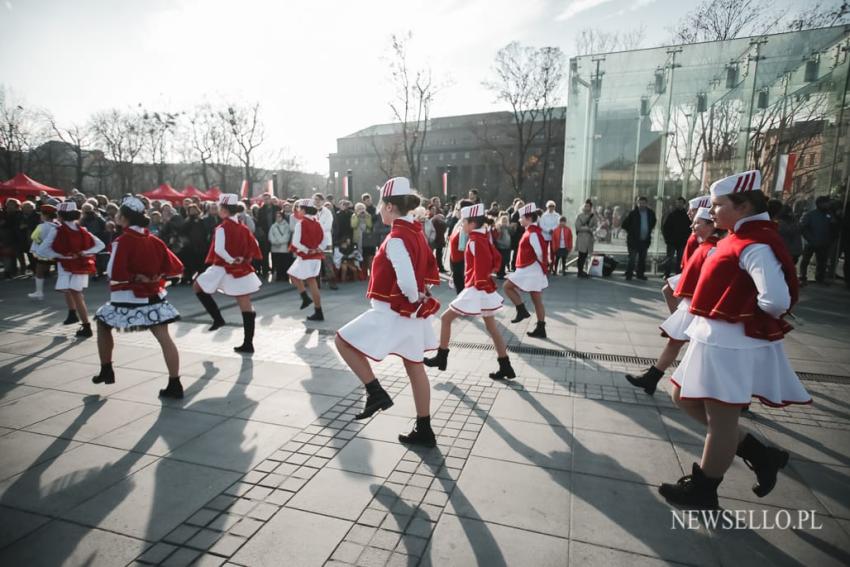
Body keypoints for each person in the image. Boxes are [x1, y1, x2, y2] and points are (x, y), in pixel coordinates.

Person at [659, 170, 811, 509]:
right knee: (682, 396)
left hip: (729, 343)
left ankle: (703, 490)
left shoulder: (755, 243)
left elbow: (776, 301)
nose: (711, 212)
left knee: (721, 422)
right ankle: (760, 454)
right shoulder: (743, 236)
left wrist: (739, 311)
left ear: (742, 206)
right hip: (716, 338)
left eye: (717, 205)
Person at [335, 177, 442, 447]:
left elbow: (406, 279)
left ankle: (375, 391)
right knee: (415, 367)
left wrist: (413, 293)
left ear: (391, 207)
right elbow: (427, 266)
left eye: (382, 205)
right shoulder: (416, 231)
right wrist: (420, 293)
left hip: (391, 310)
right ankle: (424, 429)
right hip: (409, 313)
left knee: (343, 342)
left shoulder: (397, 237)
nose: (379, 210)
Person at [90, 197, 184, 397]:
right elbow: (177, 267)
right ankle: (175, 383)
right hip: (154, 296)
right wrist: (159, 275)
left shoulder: (122, 241)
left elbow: (113, 272)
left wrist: (134, 277)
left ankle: (106, 369)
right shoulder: (154, 240)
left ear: (123, 218)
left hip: (127, 296)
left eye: (118, 214)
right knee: (165, 339)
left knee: (102, 324)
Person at [625, 207, 722, 395]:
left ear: (710, 225)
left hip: (701, 306)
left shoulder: (714, 248)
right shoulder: (706, 245)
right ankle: (652, 377)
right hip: (692, 302)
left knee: (704, 350)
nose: (692, 224)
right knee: (675, 341)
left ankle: (735, 395)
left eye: (697, 222)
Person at [425, 203, 515, 380]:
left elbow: (481, 267)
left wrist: (475, 285)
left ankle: (441, 358)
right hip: (482, 287)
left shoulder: (475, 240)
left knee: (445, 319)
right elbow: (495, 260)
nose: (461, 225)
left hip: (476, 288)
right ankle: (506, 366)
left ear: (473, 223)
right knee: (492, 328)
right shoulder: (483, 237)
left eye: (463, 222)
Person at [193, 194, 263, 353]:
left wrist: (232, 260)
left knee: (197, 287)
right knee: (245, 304)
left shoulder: (222, 228)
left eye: (219, 208)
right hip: (241, 268)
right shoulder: (243, 227)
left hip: (222, 267)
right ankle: (248, 343)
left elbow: (219, 250)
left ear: (224, 210)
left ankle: (218, 319)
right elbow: (255, 244)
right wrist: (243, 258)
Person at [47, 202, 105, 338]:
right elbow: (100, 245)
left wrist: (63, 255)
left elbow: (43, 249)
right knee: (75, 293)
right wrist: (83, 253)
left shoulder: (57, 230)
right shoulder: (82, 229)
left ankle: (85, 326)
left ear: (60, 216)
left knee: (74, 293)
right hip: (81, 265)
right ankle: (76, 317)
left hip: (67, 265)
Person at [503, 202, 548, 338]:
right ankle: (540, 328)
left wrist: (539, 267)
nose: (519, 219)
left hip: (530, 268)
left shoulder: (533, 233)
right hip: (532, 269)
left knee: (507, 287)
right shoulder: (532, 231)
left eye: (521, 217)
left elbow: (540, 252)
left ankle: (521, 310)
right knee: (537, 300)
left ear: (528, 218)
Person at [288, 198, 325, 321]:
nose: (298, 211)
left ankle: (311, 303)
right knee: (300, 277)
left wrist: (307, 250)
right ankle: (310, 302)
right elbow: (323, 240)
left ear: (304, 210)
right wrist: (317, 248)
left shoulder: (301, 223)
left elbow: (295, 242)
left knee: (306, 280)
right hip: (315, 257)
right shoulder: (317, 222)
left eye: (299, 208)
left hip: (306, 256)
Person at [27, 199, 60, 300]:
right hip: (54, 252)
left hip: (43, 253)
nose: (40, 216)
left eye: (41, 214)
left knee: (39, 272)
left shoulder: (41, 226)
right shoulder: (58, 226)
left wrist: (41, 244)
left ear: (45, 216)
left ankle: (39, 292)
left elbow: (34, 237)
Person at [799, 196, 833, 285]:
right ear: (820, 204)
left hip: (823, 242)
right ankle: (802, 276)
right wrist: (810, 239)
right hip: (811, 243)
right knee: (806, 260)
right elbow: (803, 228)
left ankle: (820, 277)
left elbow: (832, 228)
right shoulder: (811, 215)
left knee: (822, 261)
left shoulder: (829, 215)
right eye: (826, 202)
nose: (828, 204)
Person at [622, 196, 657, 280]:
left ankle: (640, 274)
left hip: (644, 240)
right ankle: (629, 274)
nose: (641, 205)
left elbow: (653, 222)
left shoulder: (650, 213)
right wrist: (632, 231)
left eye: (643, 203)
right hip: (633, 240)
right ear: (637, 203)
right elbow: (624, 224)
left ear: (646, 204)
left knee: (642, 258)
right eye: (639, 203)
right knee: (632, 258)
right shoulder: (632, 213)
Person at [662, 197, 692, 278]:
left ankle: (678, 274)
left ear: (684, 204)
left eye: (681, 203)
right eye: (678, 203)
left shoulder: (687, 215)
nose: (679, 204)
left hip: (682, 241)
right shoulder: (671, 214)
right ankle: (666, 273)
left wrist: (687, 238)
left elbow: (690, 228)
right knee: (669, 258)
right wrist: (667, 239)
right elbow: (665, 227)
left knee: (680, 259)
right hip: (671, 241)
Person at [447, 200, 473, 294]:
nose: (455, 210)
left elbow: (464, 248)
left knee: (462, 294)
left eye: (457, 209)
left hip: (462, 264)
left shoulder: (466, 226)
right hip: (455, 263)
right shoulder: (459, 223)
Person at [314, 192, 338, 290]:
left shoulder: (327, 212)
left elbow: (328, 226)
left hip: (326, 240)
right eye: (316, 200)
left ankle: (332, 282)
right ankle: (316, 283)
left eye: (319, 200)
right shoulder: (311, 211)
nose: (317, 202)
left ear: (323, 201)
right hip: (314, 241)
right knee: (315, 262)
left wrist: (317, 228)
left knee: (328, 261)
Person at [269, 210, 293, 281]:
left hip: (283, 248)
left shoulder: (286, 226)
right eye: (276, 217)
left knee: (284, 263)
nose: (278, 218)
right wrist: (274, 242)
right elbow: (270, 235)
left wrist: (280, 242)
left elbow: (287, 236)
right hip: (275, 248)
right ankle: (278, 276)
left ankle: (285, 277)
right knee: (277, 263)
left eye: (279, 216)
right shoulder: (273, 226)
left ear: (282, 217)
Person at [574, 200, 597, 278]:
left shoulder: (593, 216)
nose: (587, 208)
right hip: (582, 238)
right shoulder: (580, 216)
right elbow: (577, 227)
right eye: (585, 206)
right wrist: (587, 228)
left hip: (589, 238)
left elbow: (595, 226)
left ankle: (582, 271)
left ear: (591, 207)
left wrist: (592, 229)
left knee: (586, 255)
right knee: (581, 255)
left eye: (588, 206)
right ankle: (579, 271)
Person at [539, 200, 560, 266]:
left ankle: (552, 264)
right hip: (545, 235)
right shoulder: (544, 216)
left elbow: (558, 224)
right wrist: (548, 230)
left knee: (553, 251)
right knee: (544, 250)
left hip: (554, 235)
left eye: (552, 206)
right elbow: (542, 225)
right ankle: (545, 263)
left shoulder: (557, 215)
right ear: (547, 207)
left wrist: (553, 230)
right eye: (550, 206)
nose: (551, 207)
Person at [494, 214, 512, 279]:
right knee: (501, 260)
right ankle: (499, 273)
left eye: (505, 221)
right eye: (503, 221)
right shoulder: (499, 228)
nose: (504, 222)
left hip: (507, 246)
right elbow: (497, 237)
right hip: (501, 246)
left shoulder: (508, 228)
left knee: (506, 260)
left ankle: (502, 272)